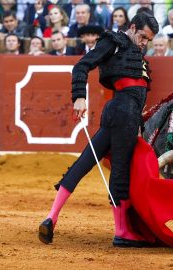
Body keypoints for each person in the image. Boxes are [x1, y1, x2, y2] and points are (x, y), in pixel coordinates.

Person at [38, 12, 159, 248]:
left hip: (122, 113)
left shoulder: (134, 51)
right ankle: (122, 231)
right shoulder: (114, 41)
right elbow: (82, 66)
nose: (145, 43)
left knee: (86, 160)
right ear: (133, 27)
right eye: (143, 36)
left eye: (149, 40)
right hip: (123, 112)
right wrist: (79, 97)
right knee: (120, 170)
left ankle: (51, 216)